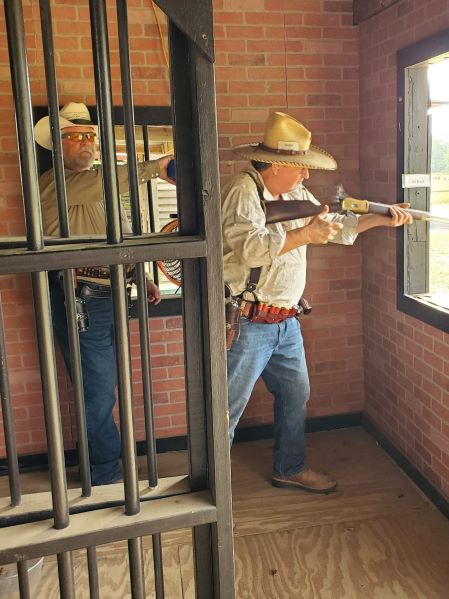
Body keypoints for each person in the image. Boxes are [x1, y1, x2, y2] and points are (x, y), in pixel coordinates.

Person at [222, 112, 412, 494]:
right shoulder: (243, 192)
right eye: (300, 167)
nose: (306, 174)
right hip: (247, 322)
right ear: (277, 165)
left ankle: (289, 468)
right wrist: (307, 234)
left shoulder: (295, 194)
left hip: (286, 321)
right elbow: (251, 248)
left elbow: (336, 227)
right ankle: (209, 492)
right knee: (225, 408)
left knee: (296, 395)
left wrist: (383, 220)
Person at [34, 102, 175, 485]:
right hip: (81, 298)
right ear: (56, 144)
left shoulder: (98, 186)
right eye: (76, 136)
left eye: (91, 136)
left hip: (112, 295)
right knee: (98, 390)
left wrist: (139, 275)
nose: (88, 143)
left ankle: (104, 466)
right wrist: (154, 168)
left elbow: (119, 234)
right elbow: (107, 181)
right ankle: (105, 473)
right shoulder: (53, 183)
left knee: (105, 385)